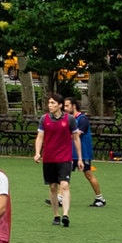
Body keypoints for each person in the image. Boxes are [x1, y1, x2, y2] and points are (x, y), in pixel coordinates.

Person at [36, 96, 76, 227]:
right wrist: (37, 153)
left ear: (60, 105)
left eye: (52, 103)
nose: (50, 105)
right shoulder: (44, 119)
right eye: (49, 103)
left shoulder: (69, 119)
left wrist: (80, 158)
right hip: (49, 158)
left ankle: (66, 215)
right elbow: (40, 137)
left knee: (64, 185)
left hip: (64, 158)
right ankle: (56, 215)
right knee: (53, 187)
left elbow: (76, 138)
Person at [67, 96, 104, 207]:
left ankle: (100, 198)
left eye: (67, 105)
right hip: (70, 153)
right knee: (64, 174)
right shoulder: (69, 119)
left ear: (74, 106)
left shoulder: (82, 119)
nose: (65, 108)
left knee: (88, 175)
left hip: (83, 153)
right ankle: (60, 198)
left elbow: (76, 135)